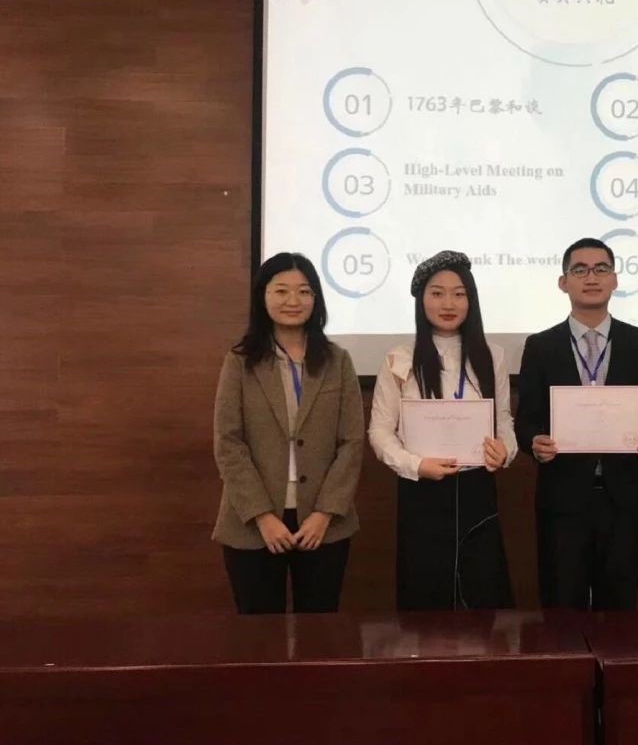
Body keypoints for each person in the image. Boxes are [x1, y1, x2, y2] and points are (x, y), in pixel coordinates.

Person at [515, 238, 638, 611]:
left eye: (601, 269)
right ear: (563, 282)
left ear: (615, 279)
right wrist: (534, 442)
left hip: (622, 497)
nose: (591, 277)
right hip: (562, 498)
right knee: (561, 606)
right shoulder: (541, 346)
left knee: (619, 609)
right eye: (580, 269)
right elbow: (526, 419)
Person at [212, 252, 364, 614]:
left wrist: (324, 513)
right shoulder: (240, 362)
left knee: (320, 630)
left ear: (316, 299)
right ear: (262, 297)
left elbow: (352, 442)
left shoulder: (337, 360)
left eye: (304, 291)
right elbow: (228, 442)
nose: (293, 300)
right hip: (253, 522)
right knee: (260, 633)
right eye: (281, 290)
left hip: (324, 522)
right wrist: (263, 516)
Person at [368, 250, 516, 610]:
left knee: (481, 595)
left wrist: (506, 451)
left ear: (471, 300)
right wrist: (416, 465)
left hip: (477, 489)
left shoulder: (492, 355)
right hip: (422, 490)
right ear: (421, 300)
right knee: (425, 597)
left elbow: (503, 419)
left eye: (459, 294)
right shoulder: (399, 358)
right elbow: (380, 431)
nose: (448, 303)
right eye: (437, 293)